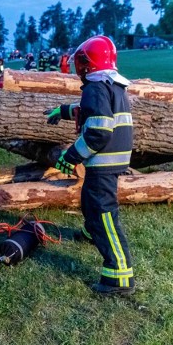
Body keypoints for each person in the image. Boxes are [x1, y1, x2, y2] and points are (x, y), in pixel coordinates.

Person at [44, 35, 135, 296]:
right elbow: (93, 110)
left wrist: (70, 156)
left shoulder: (95, 87)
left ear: (88, 64)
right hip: (113, 159)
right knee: (90, 202)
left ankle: (119, 275)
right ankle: (90, 230)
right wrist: (63, 110)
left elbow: (97, 132)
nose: (78, 69)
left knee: (104, 213)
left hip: (103, 161)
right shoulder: (111, 83)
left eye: (81, 63)